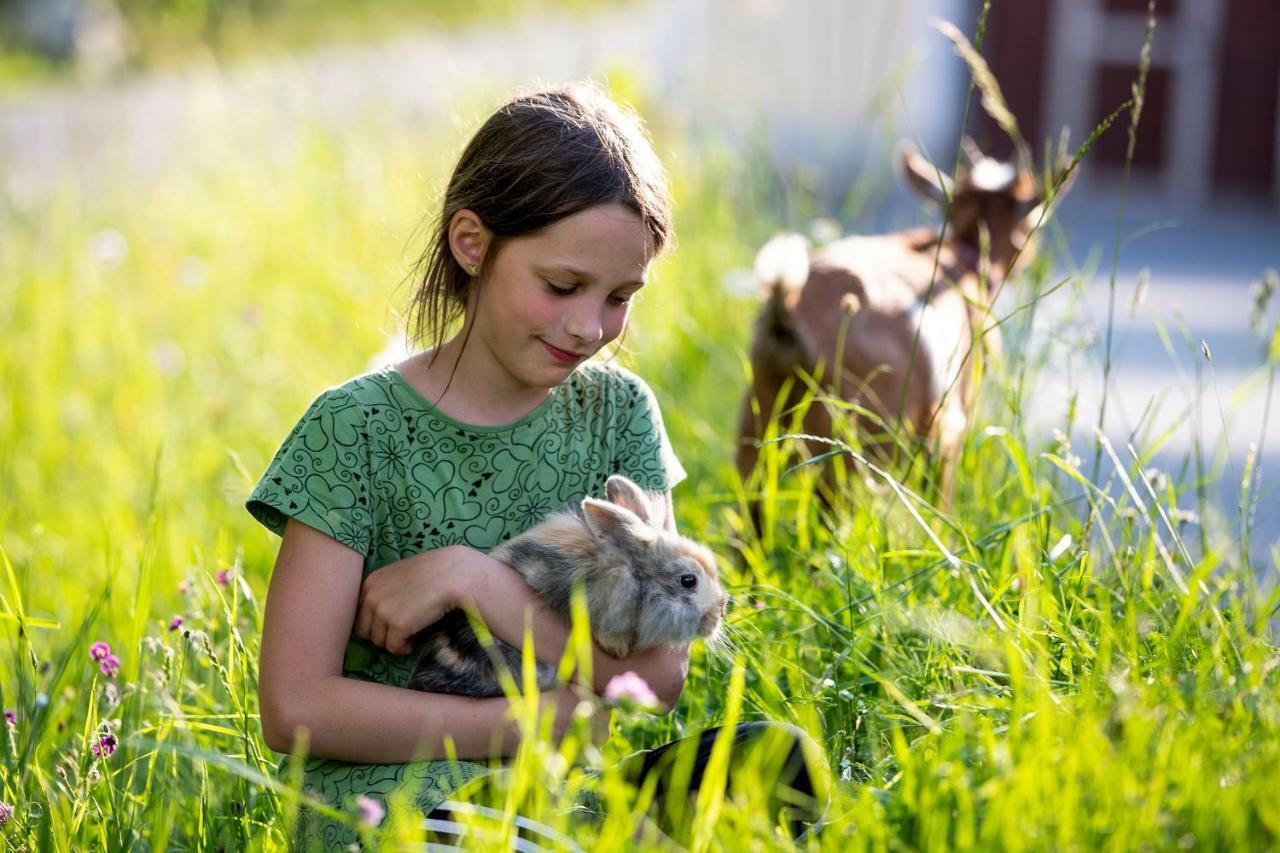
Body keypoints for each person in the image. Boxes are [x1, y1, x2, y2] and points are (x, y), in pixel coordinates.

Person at [247, 82, 826, 847]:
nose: (590, 326)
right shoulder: (353, 429)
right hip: (399, 807)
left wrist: (473, 579)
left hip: (558, 796)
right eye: (562, 286)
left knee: (782, 762)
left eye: (620, 296)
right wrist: (521, 724)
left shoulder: (619, 414)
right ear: (472, 243)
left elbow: (654, 678)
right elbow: (295, 709)